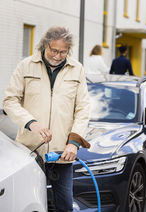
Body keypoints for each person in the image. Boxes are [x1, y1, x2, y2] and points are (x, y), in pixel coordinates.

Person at [3, 26, 90, 212]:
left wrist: (74, 143)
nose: (58, 56)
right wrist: (31, 123)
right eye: (54, 50)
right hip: (28, 152)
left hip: (62, 153)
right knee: (27, 203)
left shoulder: (77, 69)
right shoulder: (25, 66)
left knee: (64, 206)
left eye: (63, 52)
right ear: (44, 45)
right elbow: (10, 101)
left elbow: (83, 109)